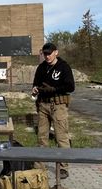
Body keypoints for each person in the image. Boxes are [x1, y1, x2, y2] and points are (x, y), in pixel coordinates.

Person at [31, 42, 75, 179]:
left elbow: (70, 87)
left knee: (61, 136)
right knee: (42, 137)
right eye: (45, 54)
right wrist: (35, 89)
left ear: (56, 52)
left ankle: (63, 167)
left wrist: (54, 89)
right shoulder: (41, 68)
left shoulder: (63, 67)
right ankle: (40, 166)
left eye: (49, 53)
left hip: (58, 106)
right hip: (43, 105)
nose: (47, 56)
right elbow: (35, 83)